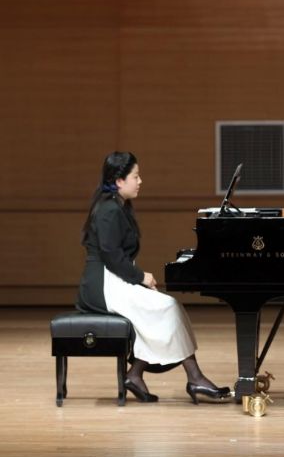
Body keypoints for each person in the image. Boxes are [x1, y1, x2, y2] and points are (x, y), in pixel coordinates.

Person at [77, 151, 231, 404]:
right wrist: (141, 277)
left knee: (167, 308)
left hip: (114, 280)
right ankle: (192, 378)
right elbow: (111, 256)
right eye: (135, 176)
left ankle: (139, 375)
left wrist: (138, 278)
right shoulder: (108, 210)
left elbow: (117, 256)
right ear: (119, 181)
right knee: (167, 307)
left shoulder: (117, 206)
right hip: (103, 286)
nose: (140, 181)